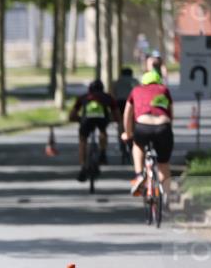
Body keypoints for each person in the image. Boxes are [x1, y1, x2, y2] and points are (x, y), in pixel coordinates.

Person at [122, 70, 174, 199]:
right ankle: (166, 196)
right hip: (163, 127)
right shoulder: (164, 90)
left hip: (143, 127)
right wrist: (167, 131)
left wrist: (128, 134)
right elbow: (171, 113)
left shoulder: (136, 90)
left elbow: (127, 114)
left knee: (137, 146)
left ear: (143, 82)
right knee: (163, 164)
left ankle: (139, 175)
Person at [69, 79, 119, 181]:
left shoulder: (83, 97)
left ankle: (83, 166)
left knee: (83, 140)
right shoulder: (107, 97)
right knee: (103, 131)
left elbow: (72, 115)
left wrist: (79, 120)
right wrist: (115, 120)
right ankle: (103, 153)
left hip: (86, 120)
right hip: (102, 120)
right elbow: (116, 114)